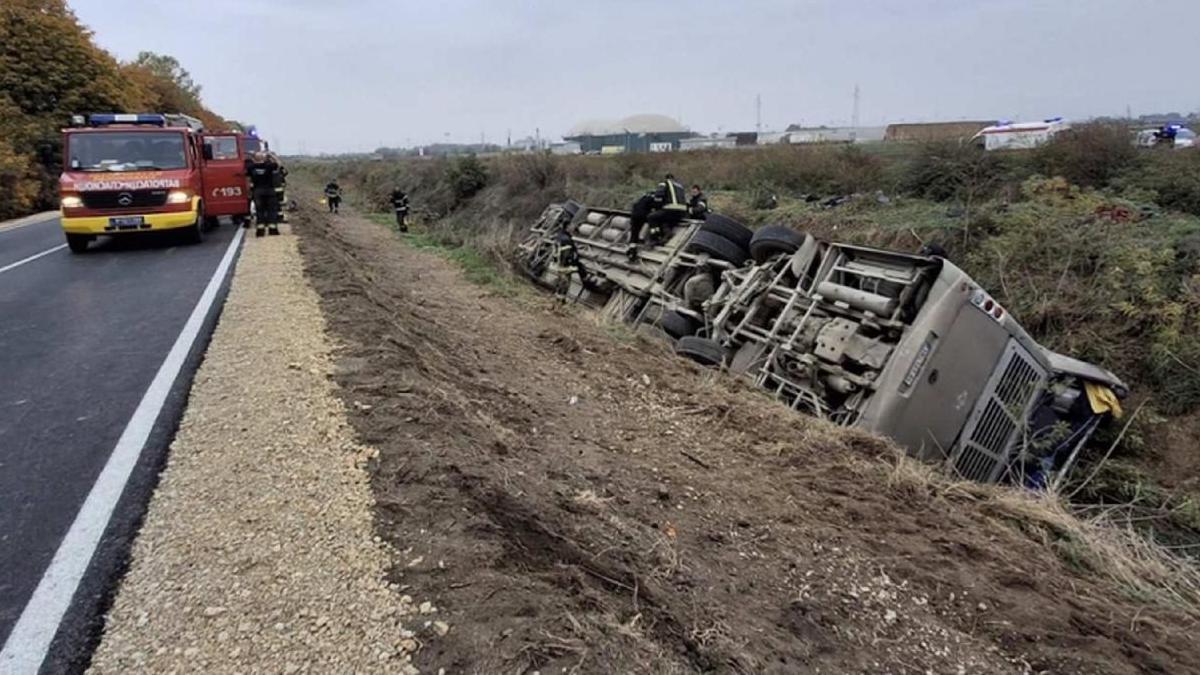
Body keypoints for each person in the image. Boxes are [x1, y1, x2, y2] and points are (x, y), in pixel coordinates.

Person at [628, 173, 687, 257]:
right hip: (681, 213)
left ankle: (655, 237)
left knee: (652, 217)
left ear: (666, 178)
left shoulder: (664, 183)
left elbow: (659, 196)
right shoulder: (680, 186)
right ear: (674, 178)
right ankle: (667, 232)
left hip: (670, 209)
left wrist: (658, 205)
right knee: (663, 218)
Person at [245, 151, 283, 236]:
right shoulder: (269, 166)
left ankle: (260, 231)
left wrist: (248, 191)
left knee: (259, 211)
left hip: (257, 192)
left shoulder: (251, 167)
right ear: (264, 158)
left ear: (254, 159)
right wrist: (272, 156)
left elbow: (247, 180)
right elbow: (279, 164)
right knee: (272, 210)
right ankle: (272, 230)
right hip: (269, 191)